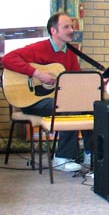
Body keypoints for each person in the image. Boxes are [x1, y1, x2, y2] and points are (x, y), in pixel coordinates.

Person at [2, 12, 89, 172]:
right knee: (68, 106)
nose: (71, 30)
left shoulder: (70, 53)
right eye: (66, 27)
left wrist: (98, 82)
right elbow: (7, 59)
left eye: (72, 26)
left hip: (54, 101)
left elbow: (77, 79)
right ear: (53, 31)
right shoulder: (39, 48)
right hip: (31, 102)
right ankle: (62, 157)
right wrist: (37, 74)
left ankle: (90, 153)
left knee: (90, 105)